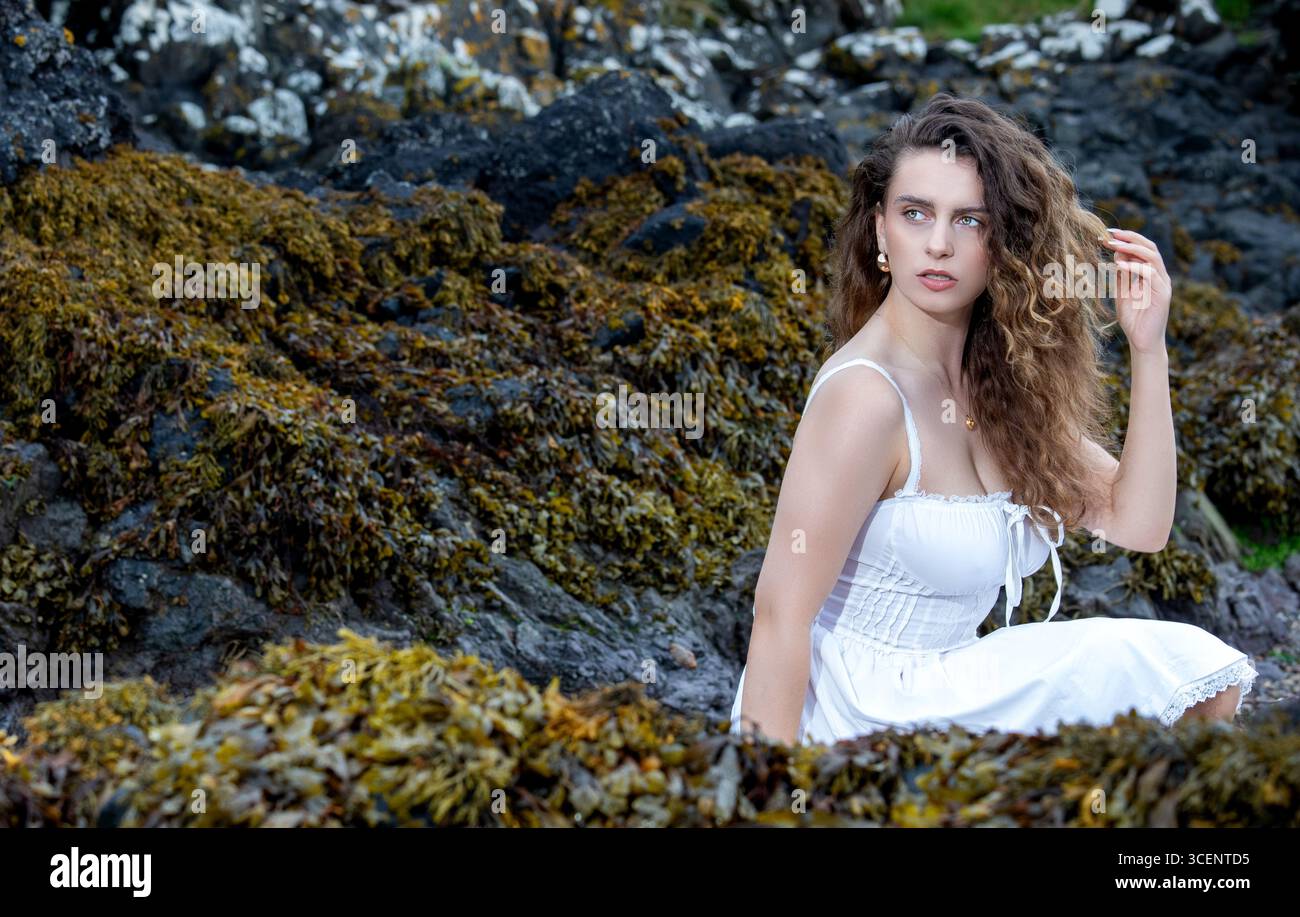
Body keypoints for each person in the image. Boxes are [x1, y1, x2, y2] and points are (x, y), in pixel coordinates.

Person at [729, 92, 1258, 747]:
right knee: (1161, 671)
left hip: (947, 689)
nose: (939, 244)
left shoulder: (998, 385)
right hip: (853, 714)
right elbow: (779, 616)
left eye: (970, 220)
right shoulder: (865, 396)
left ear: (1002, 241)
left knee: (1199, 674)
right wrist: (765, 784)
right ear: (880, 231)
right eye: (915, 214)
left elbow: (1139, 523)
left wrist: (1149, 350)